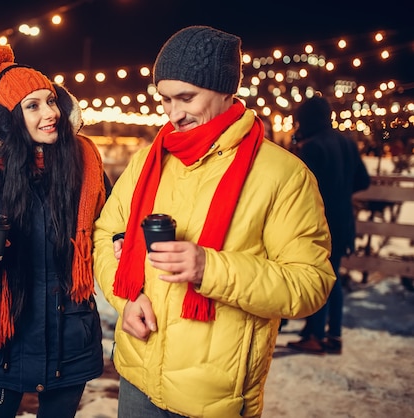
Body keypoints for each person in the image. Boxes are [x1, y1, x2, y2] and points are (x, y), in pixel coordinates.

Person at [92, 25, 336, 418]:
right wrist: (126, 299)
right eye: (165, 99)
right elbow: (104, 235)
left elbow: (311, 283)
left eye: (186, 97)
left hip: (214, 397)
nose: (174, 113)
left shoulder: (282, 175)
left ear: (226, 90)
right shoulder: (150, 160)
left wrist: (210, 267)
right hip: (138, 376)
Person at [0, 43, 111, 418]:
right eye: (33, 106)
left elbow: (112, 225)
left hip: (68, 336)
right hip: (2, 340)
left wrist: (122, 239)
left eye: (51, 101)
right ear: (8, 119)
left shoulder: (85, 167)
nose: (50, 114)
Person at [286, 95, 371, 354]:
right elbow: (363, 181)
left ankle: (316, 336)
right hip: (344, 220)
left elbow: (303, 190)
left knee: (321, 278)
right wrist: (342, 190)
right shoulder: (346, 143)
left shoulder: (312, 147)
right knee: (332, 277)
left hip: (321, 222)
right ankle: (333, 334)